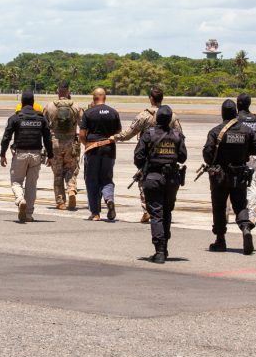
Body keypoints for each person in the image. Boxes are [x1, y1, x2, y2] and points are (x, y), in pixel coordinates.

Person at [113, 86, 183, 223]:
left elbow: (128, 133)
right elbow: (180, 135)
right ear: (162, 99)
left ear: (151, 98)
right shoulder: (172, 116)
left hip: (148, 154)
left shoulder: (144, 115)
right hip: (167, 154)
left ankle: (147, 210)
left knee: (144, 182)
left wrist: (115, 137)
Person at [203, 99, 256, 254]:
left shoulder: (216, 131)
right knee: (240, 205)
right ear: (235, 112)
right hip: (239, 175)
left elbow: (207, 155)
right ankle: (245, 228)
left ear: (222, 113)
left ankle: (220, 240)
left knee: (219, 207)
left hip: (220, 176)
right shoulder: (247, 131)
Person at [134, 105, 187, 263]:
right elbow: (183, 157)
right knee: (167, 212)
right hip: (171, 180)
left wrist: (146, 165)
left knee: (156, 214)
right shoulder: (177, 135)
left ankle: (160, 250)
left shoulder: (149, 135)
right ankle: (165, 247)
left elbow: (138, 157)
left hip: (154, 178)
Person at [0, 91, 54, 223]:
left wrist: (2, 154)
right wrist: (51, 156)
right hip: (36, 155)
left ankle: (20, 199)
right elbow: (48, 139)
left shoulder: (15, 118)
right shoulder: (41, 118)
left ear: (22, 103)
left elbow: (6, 137)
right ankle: (28, 214)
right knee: (31, 185)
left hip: (20, 154)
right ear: (33, 102)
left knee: (16, 181)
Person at [79, 87, 122, 221]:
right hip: (109, 149)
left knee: (92, 179)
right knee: (107, 178)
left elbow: (81, 134)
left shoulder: (88, 113)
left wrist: (86, 144)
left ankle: (96, 213)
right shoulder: (113, 112)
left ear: (94, 98)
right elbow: (118, 132)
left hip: (93, 149)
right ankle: (109, 199)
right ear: (105, 97)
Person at [43, 81, 83, 210]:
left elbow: (44, 126)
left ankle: (60, 202)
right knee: (71, 170)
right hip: (71, 143)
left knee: (58, 173)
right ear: (68, 91)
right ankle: (71, 189)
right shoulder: (76, 107)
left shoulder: (49, 106)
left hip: (55, 143)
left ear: (57, 90)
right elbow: (83, 125)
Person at [236, 93, 256, 224]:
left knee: (229, 182)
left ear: (238, 104)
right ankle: (251, 215)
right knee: (252, 185)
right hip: (253, 156)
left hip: (239, 156)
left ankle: (224, 214)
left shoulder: (236, 119)